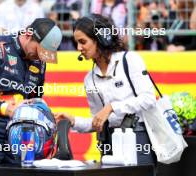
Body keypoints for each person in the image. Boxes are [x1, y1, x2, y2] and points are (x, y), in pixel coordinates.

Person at [0, 18, 62, 176]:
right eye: (40, 50)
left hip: (17, 138)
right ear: (28, 35)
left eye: (46, 54)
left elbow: (34, 99)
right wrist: (4, 108)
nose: (41, 57)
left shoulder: (39, 62)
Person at [54, 14, 157, 165]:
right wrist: (73, 121)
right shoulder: (89, 79)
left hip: (139, 140)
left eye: (83, 42)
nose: (78, 48)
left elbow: (149, 99)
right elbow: (97, 121)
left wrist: (111, 107)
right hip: (110, 145)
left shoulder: (130, 60)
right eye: (77, 42)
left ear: (101, 39)